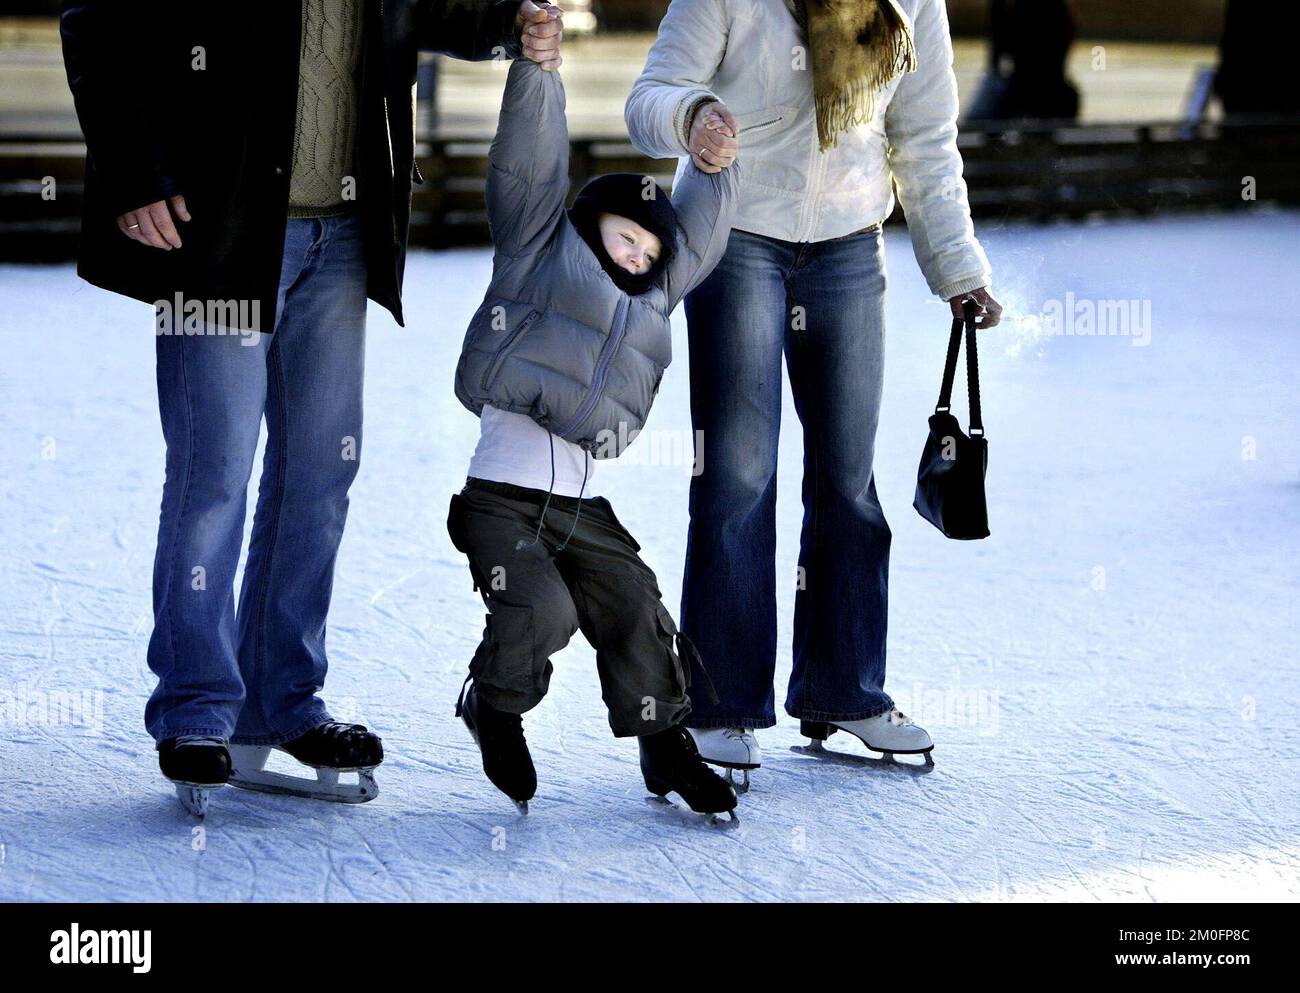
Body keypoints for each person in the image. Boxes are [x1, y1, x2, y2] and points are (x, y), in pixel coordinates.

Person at [59, 0, 562, 811]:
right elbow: (97, 20)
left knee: (318, 481)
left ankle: (282, 703)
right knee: (213, 477)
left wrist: (508, 20)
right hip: (220, 232)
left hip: (342, 237)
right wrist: (132, 172)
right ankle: (195, 712)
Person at [625, 0, 1003, 786]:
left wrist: (957, 265)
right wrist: (693, 115)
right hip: (736, 236)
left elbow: (926, 137)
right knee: (735, 475)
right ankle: (719, 705)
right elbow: (648, 98)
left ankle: (844, 689)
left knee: (848, 480)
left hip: (849, 249)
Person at [445, 16, 743, 820]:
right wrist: (539, 73)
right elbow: (529, 165)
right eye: (626, 238)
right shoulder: (539, 248)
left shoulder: (655, 300)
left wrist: (712, 163)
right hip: (501, 498)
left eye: (651, 252)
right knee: (541, 608)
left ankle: (664, 746)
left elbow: (702, 232)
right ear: (591, 224)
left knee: (635, 602)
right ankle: (495, 705)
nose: (638, 257)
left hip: (580, 505)